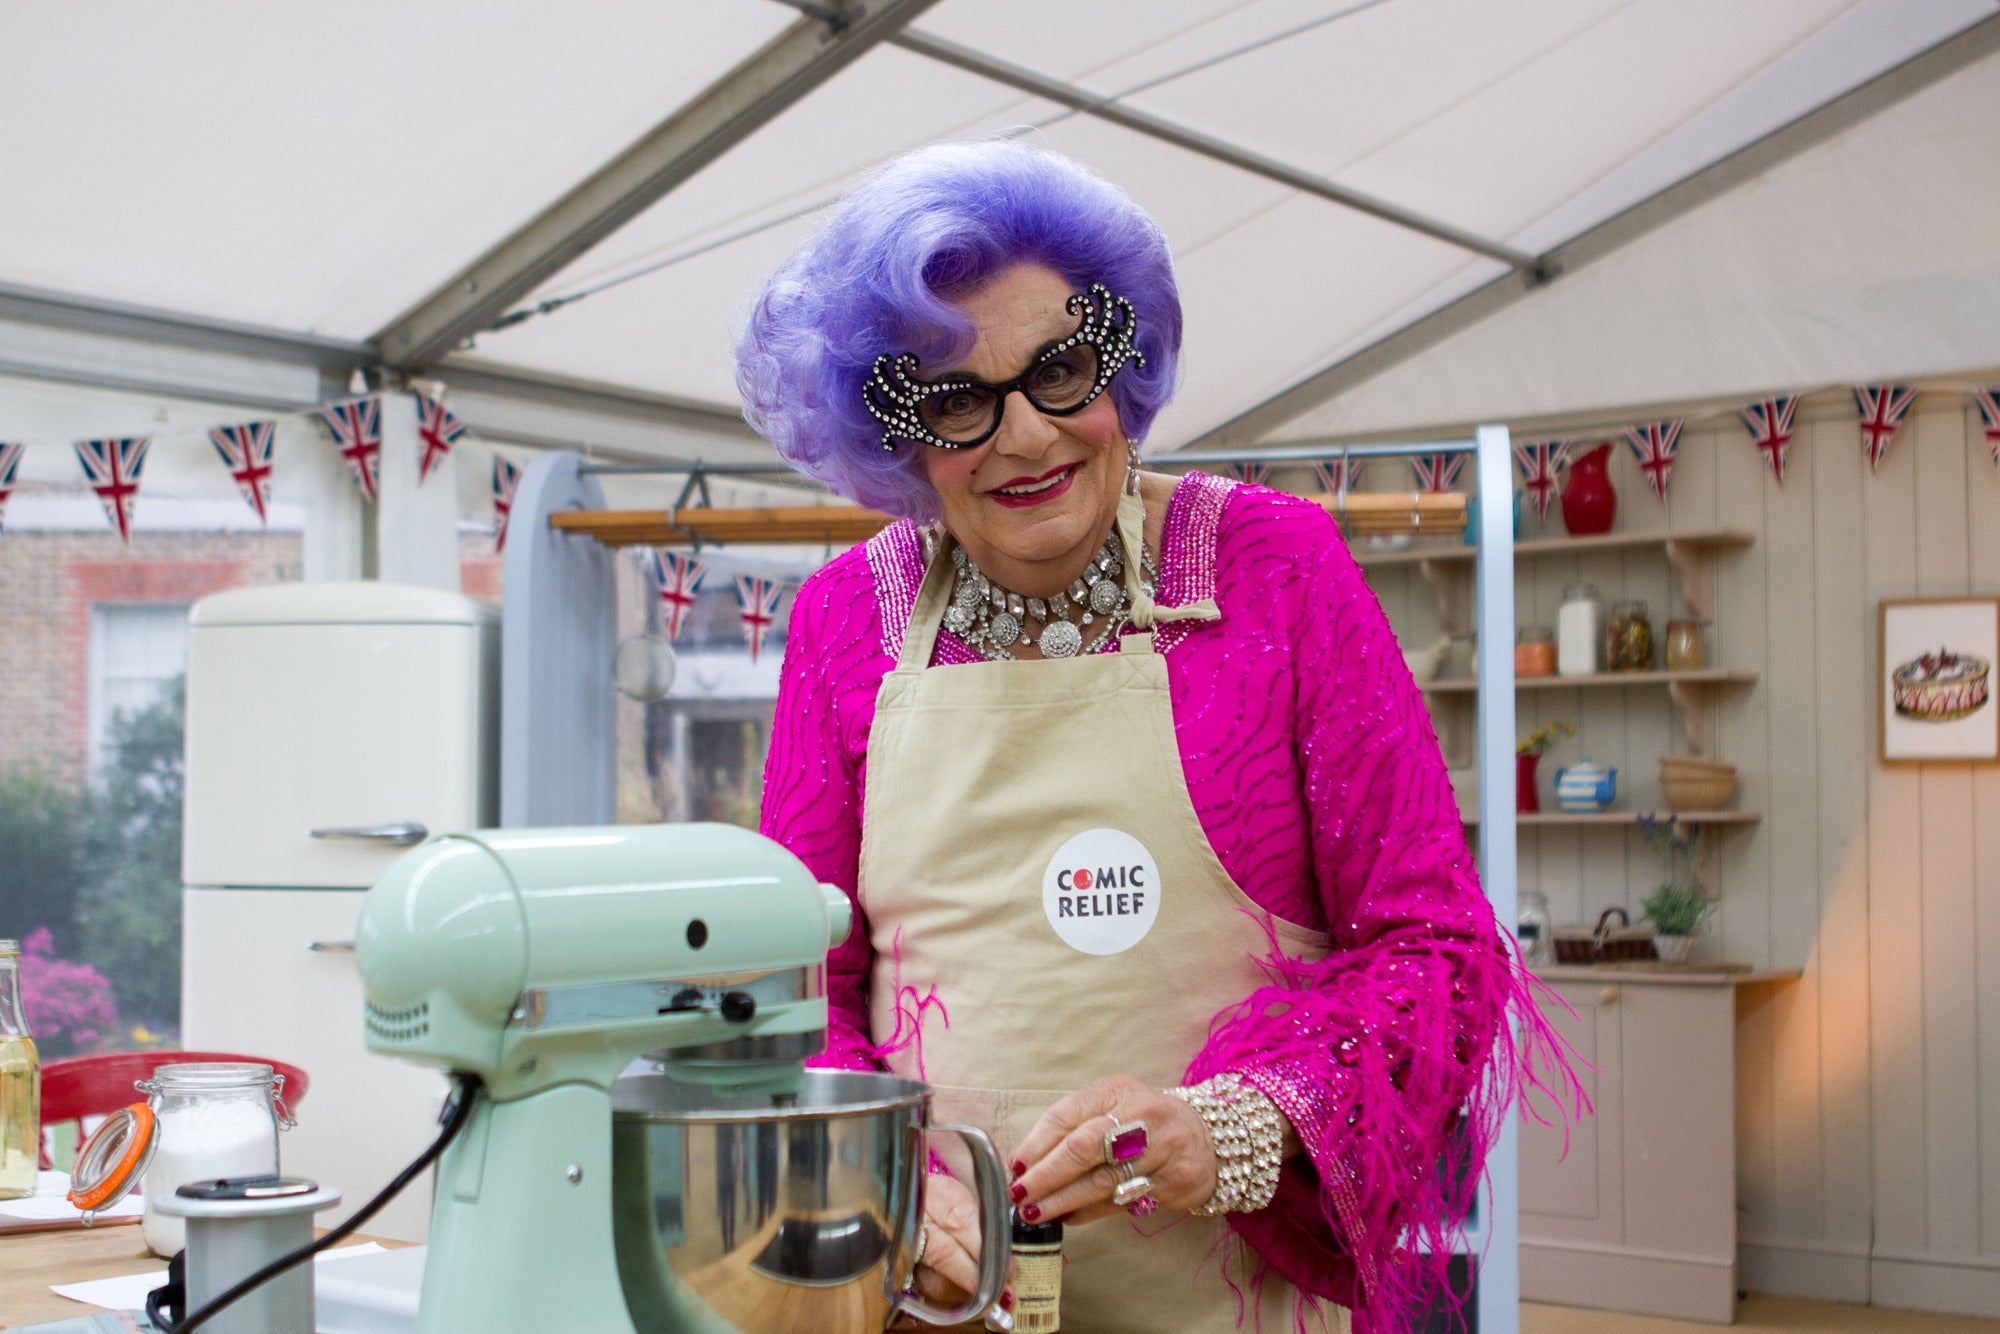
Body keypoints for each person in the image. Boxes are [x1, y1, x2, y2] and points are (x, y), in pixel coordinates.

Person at [739, 140, 1570, 1334]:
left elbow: (1433, 950)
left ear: (1121, 362)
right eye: (956, 399)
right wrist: (881, 1178)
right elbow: (791, 987)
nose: (1024, 437)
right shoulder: (839, 622)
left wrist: (1233, 1127)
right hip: (931, 1300)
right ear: (897, 434)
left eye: (1060, 369)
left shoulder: (1276, 571)